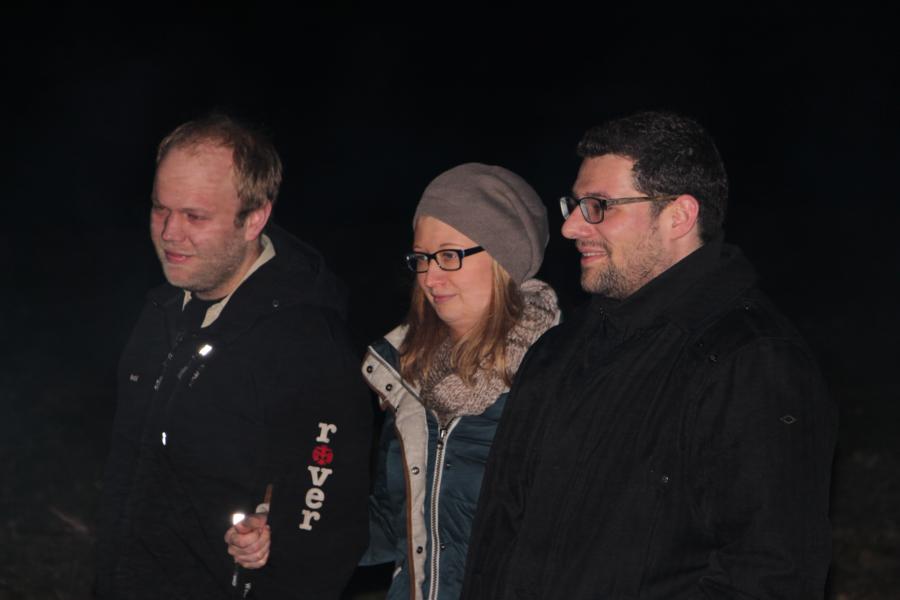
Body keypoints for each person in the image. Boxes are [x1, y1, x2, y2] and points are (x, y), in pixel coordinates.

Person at [460, 112, 837, 600]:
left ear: (679, 216)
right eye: (574, 205)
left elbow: (769, 574)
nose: (571, 227)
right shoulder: (559, 349)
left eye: (598, 206)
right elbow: (499, 537)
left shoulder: (751, 362)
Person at [228, 163, 561, 600]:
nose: (430, 278)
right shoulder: (408, 378)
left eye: (449, 256)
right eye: (421, 258)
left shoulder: (556, 376)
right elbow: (391, 525)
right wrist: (286, 528)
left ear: (504, 257)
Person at [96, 113, 372, 599]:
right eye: (161, 209)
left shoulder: (307, 347)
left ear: (254, 219)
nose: (170, 232)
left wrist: (274, 537)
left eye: (195, 216)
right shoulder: (162, 310)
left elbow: (323, 536)